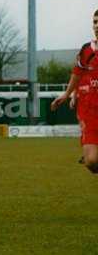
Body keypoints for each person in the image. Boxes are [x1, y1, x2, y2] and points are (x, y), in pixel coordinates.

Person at [51, 9, 98, 173]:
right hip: (89, 110)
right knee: (92, 163)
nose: (97, 26)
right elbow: (78, 75)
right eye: (95, 22)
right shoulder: (86, 50)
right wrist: (68, 94)